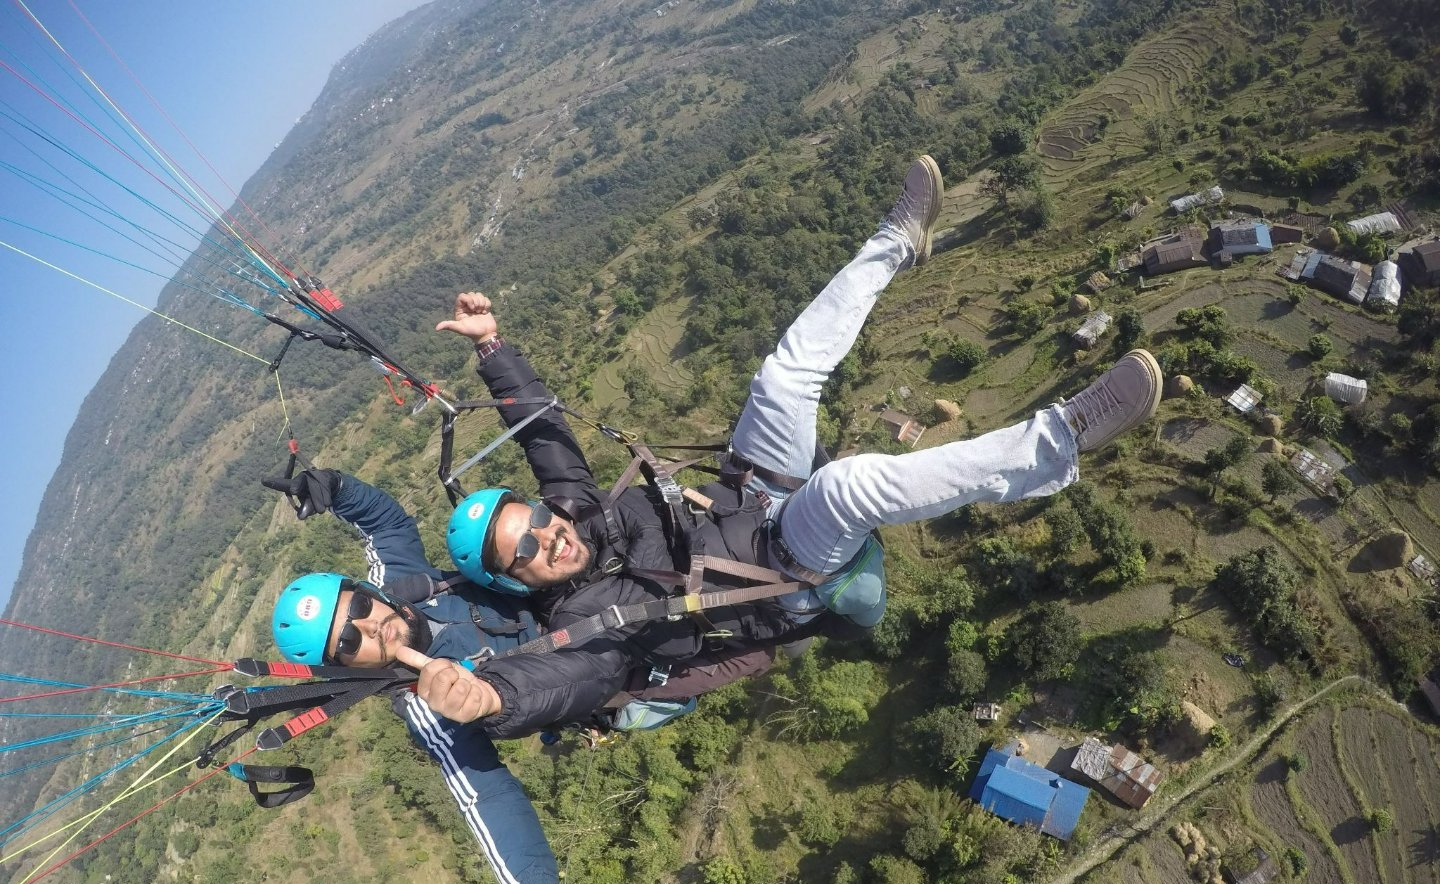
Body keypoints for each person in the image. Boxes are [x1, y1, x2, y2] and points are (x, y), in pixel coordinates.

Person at [410, 154, 1163, 738]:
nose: (549, 538)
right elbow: (566, 684)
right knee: (847, 488)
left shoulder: (572, 515)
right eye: (528, 552)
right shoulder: (584, 624)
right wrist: (491, 701)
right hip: (779, 569)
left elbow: (544, 434)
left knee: (780, 378)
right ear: (518, 582)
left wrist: (492, 350)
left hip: (746, 490)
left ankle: (896, 241)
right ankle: (1062, 438)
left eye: (535, 522)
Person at [269, 472, 772, 884]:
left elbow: (384, 520)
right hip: (607, 677)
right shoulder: (429, 704)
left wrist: (333, 488)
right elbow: (484, 795)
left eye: (357, 605)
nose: (370, 625)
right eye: (350, 643)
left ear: (364, 590)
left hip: (577, 598)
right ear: (347, 665)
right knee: (758, 649)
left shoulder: (405, 585)